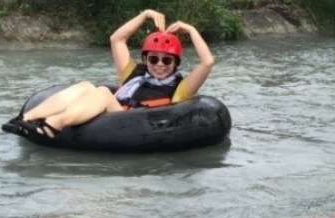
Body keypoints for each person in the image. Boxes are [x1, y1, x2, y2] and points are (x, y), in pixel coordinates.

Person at [20, 9, 215, 137]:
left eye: (167, 60)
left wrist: (190, 29)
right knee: (86, 86)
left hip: (136, 124)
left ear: (175, 63)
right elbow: (117, 40)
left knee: (104, 92)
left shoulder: (180, 88)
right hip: (113, 114)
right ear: (146, 60)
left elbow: (207, 62)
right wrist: (145, 15)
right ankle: (28, 118)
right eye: (154, 59)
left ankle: (54, 125)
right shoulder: (134, 74)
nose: (160, 65)